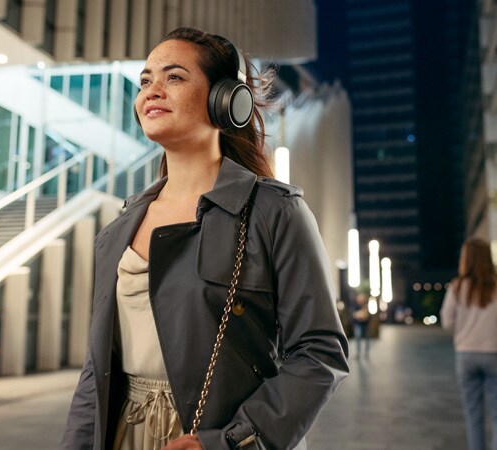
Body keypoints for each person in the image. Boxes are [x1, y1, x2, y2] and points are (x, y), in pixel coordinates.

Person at [61, 27, 349, 450]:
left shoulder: (276, 212)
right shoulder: (118, 229)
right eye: (145, 81)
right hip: (124, 433)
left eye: (174, 77)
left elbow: (319, 353)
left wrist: (229, 441)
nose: (152, 91)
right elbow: (96, 371)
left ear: (226, 100)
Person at [441, 238, 497, 450]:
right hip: (493, 353)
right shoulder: (496, 285)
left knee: (473, 415)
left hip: (465, 355)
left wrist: (464, 329)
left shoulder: (457, 287)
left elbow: (447, 321)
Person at [351, 292, 370, 358]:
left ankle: (366, 353)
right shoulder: (355, 306)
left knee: (366, 339)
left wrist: (363, 317)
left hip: (365, 324)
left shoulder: (366, 306)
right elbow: (354, 315)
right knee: (357, 338)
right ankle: (358, 353)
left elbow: (368, 316)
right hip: (358, 324)